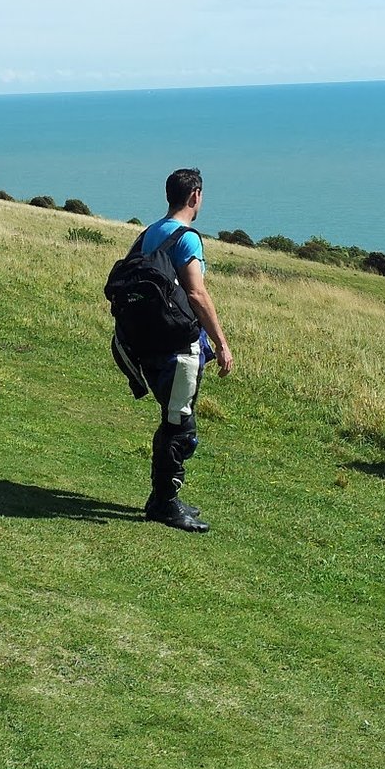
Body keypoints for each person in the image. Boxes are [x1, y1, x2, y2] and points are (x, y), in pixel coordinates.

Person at [121, 168, 235, 532]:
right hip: (177, 349)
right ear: (195, 196)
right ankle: (164, 505)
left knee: (172, 419)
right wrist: (222, 343)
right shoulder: (187, 239)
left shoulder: (149, 233)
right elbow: (197, 293)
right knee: (180, 427)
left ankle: (164, 497)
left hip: (146, 344)